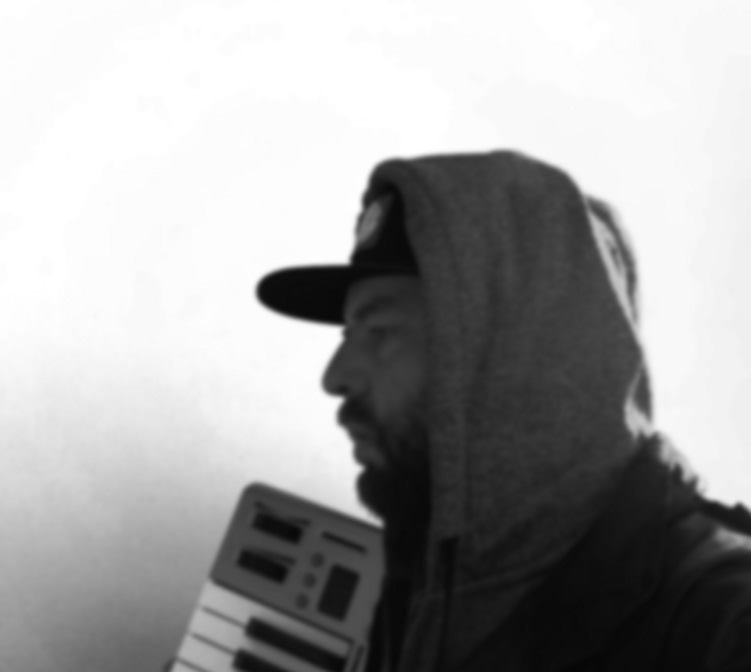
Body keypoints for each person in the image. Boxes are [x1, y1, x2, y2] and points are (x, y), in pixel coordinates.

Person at [256, 150, 751, 671]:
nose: (334, 376)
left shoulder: (722, 624)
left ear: (513, 356)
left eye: (379, 331)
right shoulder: (434, 556)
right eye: (347, 333)